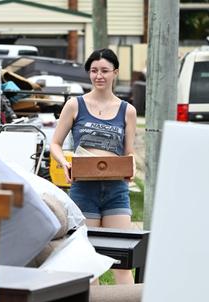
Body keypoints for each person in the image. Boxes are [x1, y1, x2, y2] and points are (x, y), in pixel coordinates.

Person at [50, 49, 137, 285]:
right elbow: (55, 144)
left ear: (115, 73)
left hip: (116, 191)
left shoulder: (127, 111)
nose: (99, 76)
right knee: (87, 264)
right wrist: (64, 162)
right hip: (83, 189)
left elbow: (129, 152)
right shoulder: (75, 105)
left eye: (105, 71)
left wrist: (132, 166)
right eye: (94, 71)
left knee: (122, 262)